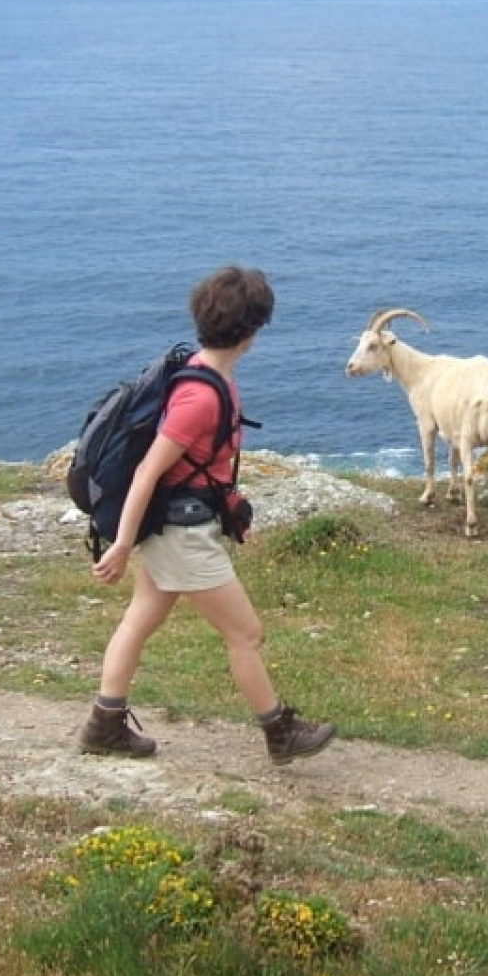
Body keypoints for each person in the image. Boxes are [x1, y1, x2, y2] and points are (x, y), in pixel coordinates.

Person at [79, 265, 337, 766]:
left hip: (177, 527)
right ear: (252, 330)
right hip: (182, 533)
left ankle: (104, 724)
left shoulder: (203, 371)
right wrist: (122, 544)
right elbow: (148, 473)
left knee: (140, 618)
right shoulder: (200, 396)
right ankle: (279, 733)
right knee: (246, 634)